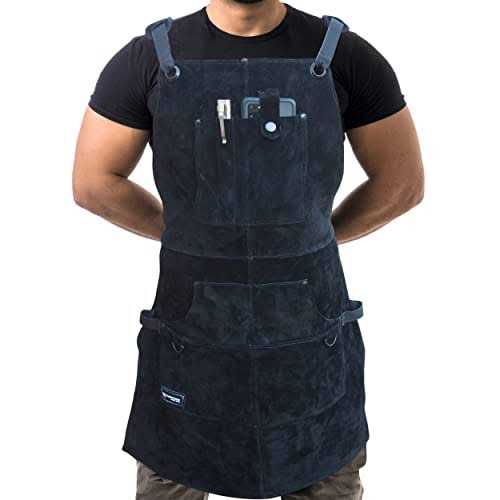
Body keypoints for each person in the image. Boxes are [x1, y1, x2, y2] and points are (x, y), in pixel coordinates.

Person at [72, 1, 424, 499]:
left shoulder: (345, 57)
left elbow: (402, 182)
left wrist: (310, 237)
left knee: (325, 470)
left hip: (310, 350)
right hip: (190, 350)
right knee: (173, 472)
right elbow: (93, 182)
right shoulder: (147, 60)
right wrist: (188, 233)